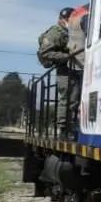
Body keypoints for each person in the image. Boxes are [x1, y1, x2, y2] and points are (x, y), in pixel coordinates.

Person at [37, 7, 82, 138]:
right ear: (64, 19)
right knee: (67, 98)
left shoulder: (70, 32)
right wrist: (65, 56)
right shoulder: (56, 33)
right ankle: (63, 129)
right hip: (64, 70)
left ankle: (71, 125)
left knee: (74, 98)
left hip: (73, 69)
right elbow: (45, 52)